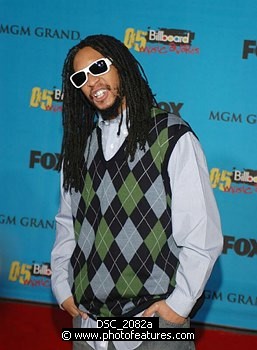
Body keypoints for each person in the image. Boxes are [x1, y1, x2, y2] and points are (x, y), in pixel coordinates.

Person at [51, 34, 223, 350]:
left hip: (152, 324)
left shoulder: (171, 136)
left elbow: (202, 235)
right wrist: (62, 285)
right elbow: (67, 224)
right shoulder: (79, 146)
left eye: (99, 67)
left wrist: (178, 307)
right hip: (89, 328)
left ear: (123, 67)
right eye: (81, 78)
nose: (92, 82)